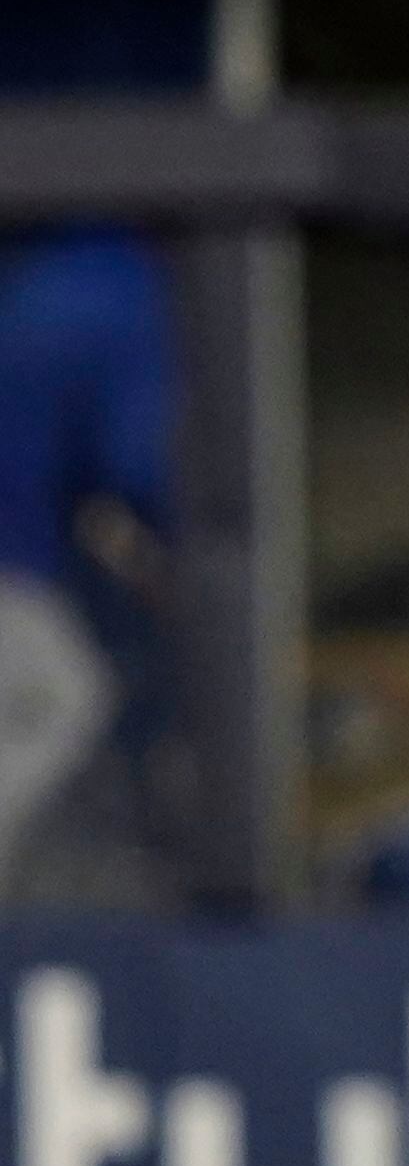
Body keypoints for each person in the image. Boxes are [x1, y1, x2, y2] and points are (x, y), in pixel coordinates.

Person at [0, 229, 170, 902]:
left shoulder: (38, 273)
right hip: (11, 557)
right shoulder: (115, 281)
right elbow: (134, 466)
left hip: (29, 551)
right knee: (65, 696)